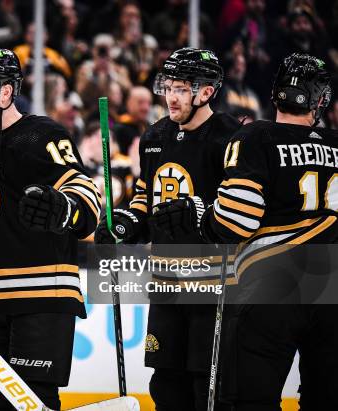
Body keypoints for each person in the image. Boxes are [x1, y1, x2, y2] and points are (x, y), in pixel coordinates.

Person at [153, 53, 338, 410]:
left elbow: (237, 221)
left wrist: (200, 216)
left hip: (271, 287)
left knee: (248, 402)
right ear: (319, 99)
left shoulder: (255, 136)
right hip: (331, 290)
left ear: (276, 94)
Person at [0, 48, 101, 410]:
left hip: (40, 293)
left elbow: (87, 196)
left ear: (5, 93)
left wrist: (63, 208)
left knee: (32, 400)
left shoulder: (41, 135)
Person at [94, 47, 240, 411]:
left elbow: (242, 210)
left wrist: (202, 211)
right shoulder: (154, 137)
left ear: (206, 92)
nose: (170, 97)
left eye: (180, 88)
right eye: (168, 87)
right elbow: (145, 199)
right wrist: (126, 223)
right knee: (166, 386)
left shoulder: (231, 138)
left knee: (205, 387)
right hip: (166, 283)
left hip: (215, 286)